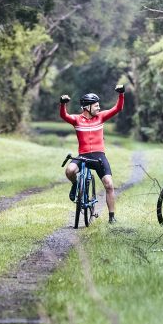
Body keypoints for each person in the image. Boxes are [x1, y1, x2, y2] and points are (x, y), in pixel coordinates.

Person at [60, 84, 125, 223]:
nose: (99, 108)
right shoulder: (77, 120)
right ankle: (75, 184)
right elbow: (63, 115)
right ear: (87, 107)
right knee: (69, 170)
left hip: (99, 156)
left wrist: (121, 94)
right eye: (96, 106)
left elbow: (117, 108)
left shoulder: (100, 117)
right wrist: (63, 104)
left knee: (109, 185)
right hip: (83, 156)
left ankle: (112, 217)